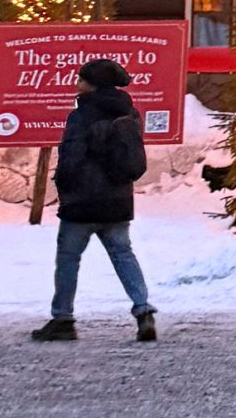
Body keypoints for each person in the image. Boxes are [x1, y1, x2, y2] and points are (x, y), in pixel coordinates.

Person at [29, 58, 157, 344]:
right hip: (118, 200)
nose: (76, 84)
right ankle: (143, 309)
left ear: (92, 84)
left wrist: (63, 186)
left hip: (82, 203)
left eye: (81, 79)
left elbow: (72, 157)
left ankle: (63, 319)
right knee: (123, 254)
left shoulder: (82, 115)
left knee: (68, 259)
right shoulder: (129, 113)